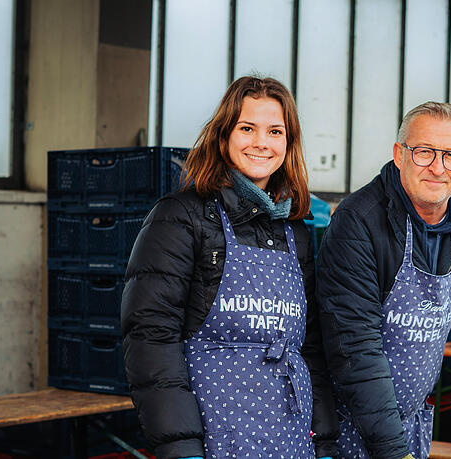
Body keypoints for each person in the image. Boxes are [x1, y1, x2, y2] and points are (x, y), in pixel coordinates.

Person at [121, 76, 338, 459]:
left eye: (275, 131)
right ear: (224, 137)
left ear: (288, 144)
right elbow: (151, 335)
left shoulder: (295, 231)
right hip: (212, 439)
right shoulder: (180, 217)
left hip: (289, 437)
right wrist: (181, 446)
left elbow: (311, 347)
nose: (261, 142)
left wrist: (322, 438)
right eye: (247, 128)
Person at [316, 102, 451, 459]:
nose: (437, 167)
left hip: (412, 423)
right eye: (424, 152)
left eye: (450, 156)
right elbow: (355, 346)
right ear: (399, 154)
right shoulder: (360, 220)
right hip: (343, 423)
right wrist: (392, 451)